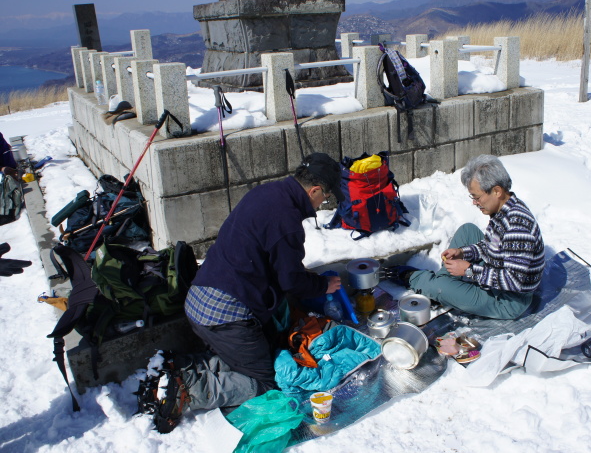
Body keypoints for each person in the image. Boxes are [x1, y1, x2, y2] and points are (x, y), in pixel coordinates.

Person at [144, 152, 345, 432]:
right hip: (226, 315)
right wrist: (323, 286)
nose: (323, 203)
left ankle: (178, 366)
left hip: (200, 300)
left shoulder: (269, 192)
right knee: (267, 384)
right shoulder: (286, 220)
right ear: (314, 190)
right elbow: (290, 281)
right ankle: (190, 388)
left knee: (251, 357)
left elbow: (276, 262)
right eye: (325, 197)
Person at [386, 154, 545, 320]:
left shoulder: (517, 227)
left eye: (477, 197)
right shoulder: (503, 210)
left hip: (507, 300)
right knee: (467, 230)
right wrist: (463, 253)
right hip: (496, 272)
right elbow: (493, 246)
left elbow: (514, 281)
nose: (474, 203)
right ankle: (444, 288)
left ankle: (426, 283)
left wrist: (469, 270)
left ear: (497, 191)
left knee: (440, 285)